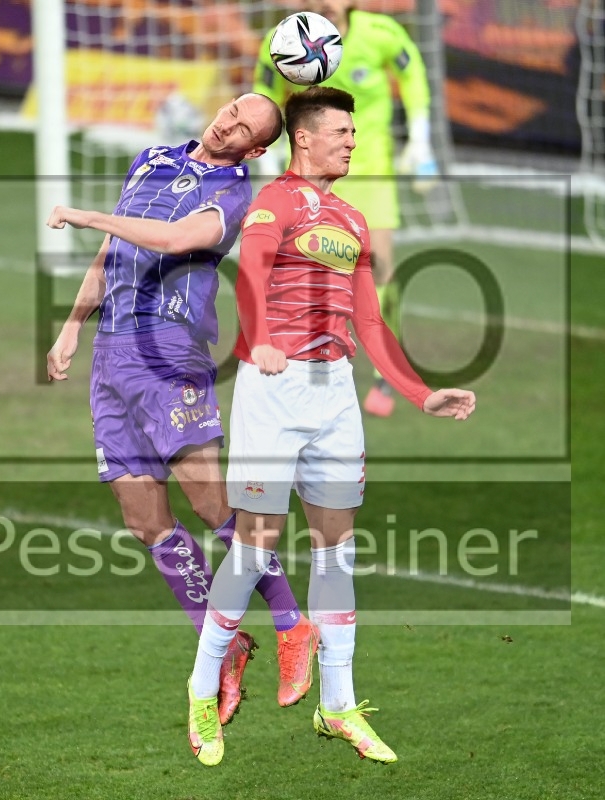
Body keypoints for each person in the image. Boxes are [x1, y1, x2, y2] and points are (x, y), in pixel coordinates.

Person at [187, 86, 475, 767]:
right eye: (341, 132)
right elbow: (251, 276)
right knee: (254, 547)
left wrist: (419, 393)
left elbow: (369, 320)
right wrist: (259, 338)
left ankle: (337, 706)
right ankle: (201, 689)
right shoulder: (275, 202)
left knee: (336, 552)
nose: (351, 141)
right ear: (305, 138)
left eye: (352, 132)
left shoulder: (352, 218)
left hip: (335, 395)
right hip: (274, 389)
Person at [46, 93, 320, 725]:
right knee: (145, 520)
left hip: (168, 352)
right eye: (231, 110)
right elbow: (112, 254)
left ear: (255, 148)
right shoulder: (152, 159)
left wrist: (88, 215)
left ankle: (292, 624)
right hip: (111, 357)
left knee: (212, 503)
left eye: (244, 127)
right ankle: (224, 647)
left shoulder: (234, 195)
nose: (228, 123)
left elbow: (171, 240)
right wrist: (71, 327)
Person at [253, 0, 439, 417]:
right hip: (310, 179)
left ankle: (386, 370)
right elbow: (264, 96)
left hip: (370, 172)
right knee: (307, 273)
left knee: (380, 269)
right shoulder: (284, 40)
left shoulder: (381, 34)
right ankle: (308, 362)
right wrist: (266, 155)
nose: (326, 5)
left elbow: (411, 73)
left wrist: (421, 138)